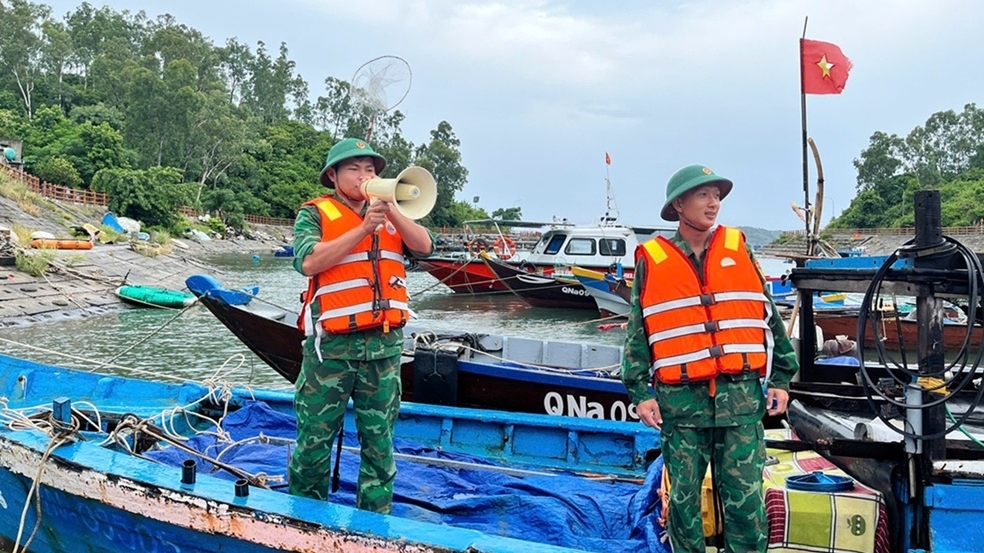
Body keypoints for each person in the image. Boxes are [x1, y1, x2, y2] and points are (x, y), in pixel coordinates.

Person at [621, 164, 800, 552]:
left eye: (717, 195)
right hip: (681, 407)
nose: (713, 202)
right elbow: (639, 330)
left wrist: (783, 379)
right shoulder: (651, 259)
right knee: (684, 507)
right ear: (679, 205)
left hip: (740, 401)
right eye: (703, 194)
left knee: (747, 504)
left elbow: (768, 316)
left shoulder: (738, 247)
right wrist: (640, 391)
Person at [288, 137, 434, 514]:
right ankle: (305, 520)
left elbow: (424, 246)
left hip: (383, 350)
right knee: (314, 444)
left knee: (380, 445)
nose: (363, 175)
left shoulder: (389, 216)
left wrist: (392, 210)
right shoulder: (315, 214)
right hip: (331, 352)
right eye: (354, 168)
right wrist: (363, 229)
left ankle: (374, 524)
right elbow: (308, 262)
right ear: (333, 176)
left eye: (370, 169)